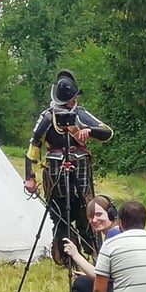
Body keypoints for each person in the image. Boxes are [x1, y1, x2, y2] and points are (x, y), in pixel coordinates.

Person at [23, 70, 113, 265]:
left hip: (80, 172)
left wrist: (89, 131)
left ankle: (96, 255)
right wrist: (29, 176)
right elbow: (34, 147)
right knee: (59, 215)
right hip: (55, 174)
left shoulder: (80, 114)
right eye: (71, 98)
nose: (74, 101)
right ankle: (66, 257)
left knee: (86, 212)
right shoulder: (48, 117)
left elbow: (107, 133)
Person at [62, 195, 120, 292]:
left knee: (79, 285)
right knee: (84, 280)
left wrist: (75, 254)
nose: (94, 220)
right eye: (90, 216)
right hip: (127, 289)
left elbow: (98, 275)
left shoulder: (114, 235)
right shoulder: (119, 231)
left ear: (111, 213)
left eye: (99, 214)